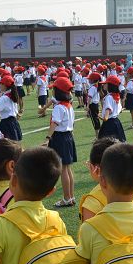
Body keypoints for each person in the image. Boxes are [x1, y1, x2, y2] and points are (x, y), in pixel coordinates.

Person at [44, 77, 77, 208]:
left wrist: (47, 138)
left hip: (60, 138)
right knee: (68, 168)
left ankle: (67, 198)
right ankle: (71, 196)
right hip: (68, 136)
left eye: (54, 89)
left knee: (63, 169)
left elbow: (54, 123)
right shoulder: (69, 106)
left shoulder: (59, 107)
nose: (52, 91)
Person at [0, 74, 22, 142]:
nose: (0, 85)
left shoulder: (4, 97)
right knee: (14, 143)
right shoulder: (12, 94)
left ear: (5, 85)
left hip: (6, 123)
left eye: (1, 83)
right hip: (13, 121)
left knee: (7, 144)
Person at [98, 75, 126, 142]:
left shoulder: (109, 97)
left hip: (109, 124)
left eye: (106, 83)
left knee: (106, 143)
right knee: (118, 143)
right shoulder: (117, 95)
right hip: (116, 122)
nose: (103, 85)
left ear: (110, 85)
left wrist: (99, 116)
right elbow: (120, 110)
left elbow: (106, 117)